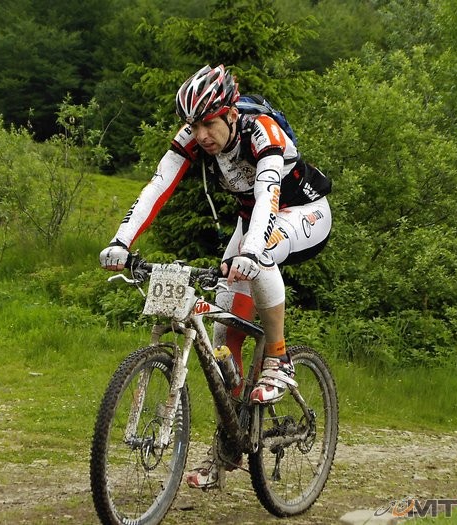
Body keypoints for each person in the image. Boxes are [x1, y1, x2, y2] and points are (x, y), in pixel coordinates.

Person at [99, 64, 332, 488]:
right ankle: (228, 449)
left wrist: (252, 251)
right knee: (225, 337)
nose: (202, 135)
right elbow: (157, 186)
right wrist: (121, 241)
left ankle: (279, 359)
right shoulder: (194, 136)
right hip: (254, 221)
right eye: (194, 126)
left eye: (209, 124)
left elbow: (268, 194)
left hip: (301, 213)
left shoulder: (261, 131)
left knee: (260, 256)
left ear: (230, 114)